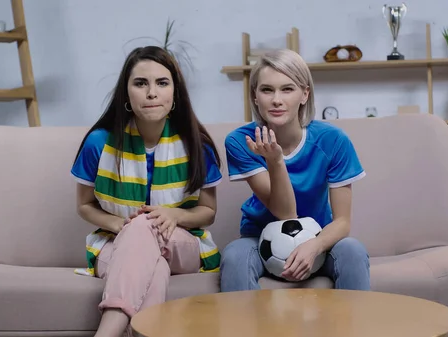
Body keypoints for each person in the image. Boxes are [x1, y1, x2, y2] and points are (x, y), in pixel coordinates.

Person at [71, 46, 223, 337]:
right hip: (115, 243)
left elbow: (208, 212)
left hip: (183, 245)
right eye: (141, 83)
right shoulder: (99, 143)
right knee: (156, 271)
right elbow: (84, 205)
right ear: (126, 93)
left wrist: (173, 215)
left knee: (144, 225)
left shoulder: (196, 144)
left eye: (162, 83)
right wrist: (119, 224)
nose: (151, 92)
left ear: (175, 93)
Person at [220, 49, 370, 291]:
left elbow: (342, 222)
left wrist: (314, 245)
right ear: (255, 97)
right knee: (234, 257)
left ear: (304, 94)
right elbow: (286, 213)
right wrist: (276, 161)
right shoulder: (241, 141)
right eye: (267, 90)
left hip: (318, 236)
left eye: (287, 89)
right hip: (259, 238)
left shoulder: (333, 140)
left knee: (352, 250)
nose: (276, 100)